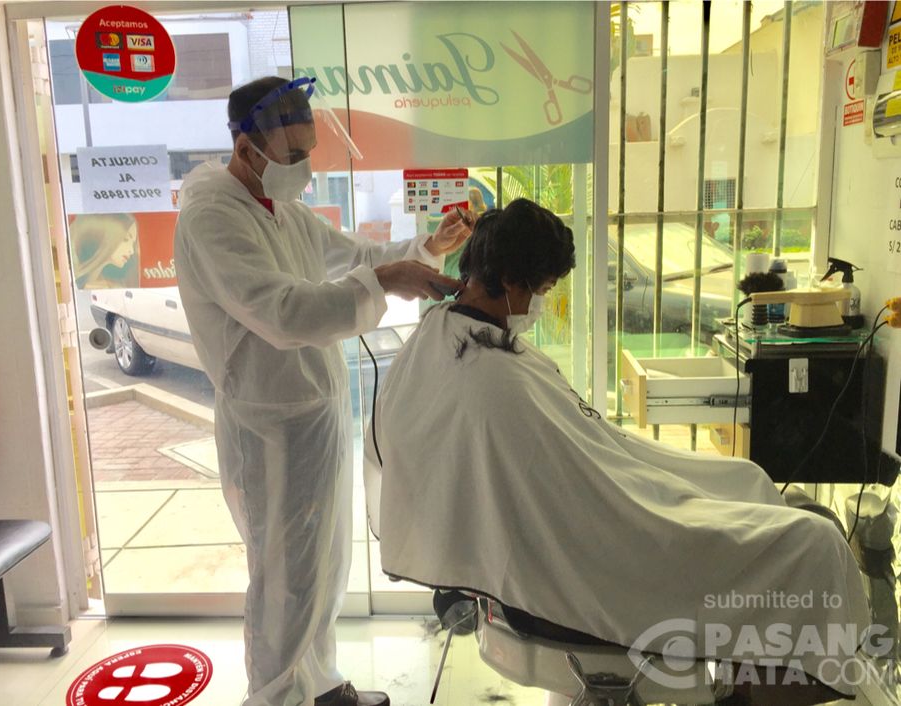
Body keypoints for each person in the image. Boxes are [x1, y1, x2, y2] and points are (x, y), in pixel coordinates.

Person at [364, 198, 871, 706]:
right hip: (590, 551)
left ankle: (750, 658)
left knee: (746, 479)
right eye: (543, 290)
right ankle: (752, 684)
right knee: (815, 544)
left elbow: (388, 447)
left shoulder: (440, 335)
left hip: (586, 510)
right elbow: (578, 498)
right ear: (512, 280)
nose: (540, 304)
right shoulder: (492, 380)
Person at [173, 76, 471, 706]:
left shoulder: (281, 210)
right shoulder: (213, 218)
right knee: (284, 577)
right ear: (246, 148)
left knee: (325, 566)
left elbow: (355, 256)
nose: (304, 167)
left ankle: (318, 684)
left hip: (315, 412)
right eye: (292, 155)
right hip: (270, 424)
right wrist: (385, 280)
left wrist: (426, 247)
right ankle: (277, 697)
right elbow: (284, 313)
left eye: (308, 151)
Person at [70, 213, 139, 289]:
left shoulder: (112, 285)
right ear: (105, 236)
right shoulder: (71, 281)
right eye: (125, 239)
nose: (131, 251)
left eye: (133, 243)